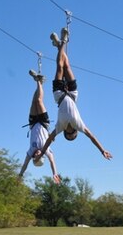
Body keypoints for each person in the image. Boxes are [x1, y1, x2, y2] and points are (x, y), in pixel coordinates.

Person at [34, 29, 113, 165]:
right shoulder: (80, 125)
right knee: (67, 66)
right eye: (73, 135)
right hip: (72, 93)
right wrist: (102, 150)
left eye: (69, 135)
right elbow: (91, 137)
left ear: (66, 133)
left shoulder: (60, 127)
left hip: (59, 95)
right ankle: (60, 44)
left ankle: (62, 43)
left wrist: (41, 152)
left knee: (60, 67)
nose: (71, 133)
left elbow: (48, 140)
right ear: (75, 132)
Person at [19, 70, 61, 184]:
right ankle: (39, 81)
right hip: (43, 122)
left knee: (33, 102)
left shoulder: (31, 151)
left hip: (32, 123)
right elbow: (52, 161)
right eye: (39, 156)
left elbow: (25, 164)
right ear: (42, 157)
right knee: (39, 100)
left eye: (35, 157)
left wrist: (20, 175)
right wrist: (55, 174)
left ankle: (39, 82)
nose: (36, 154)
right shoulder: (46, 150)